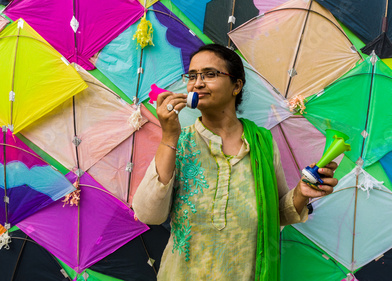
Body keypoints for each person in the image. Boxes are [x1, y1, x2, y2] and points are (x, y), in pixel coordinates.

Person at [132, 44, 338, 280]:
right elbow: (149, 214)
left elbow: (275, 215)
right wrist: (168, 136)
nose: (198, 83)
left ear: (236, 86)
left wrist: (302, 193)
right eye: (192, 76)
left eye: (210, 74)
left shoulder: (262, 143)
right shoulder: (180, 140)